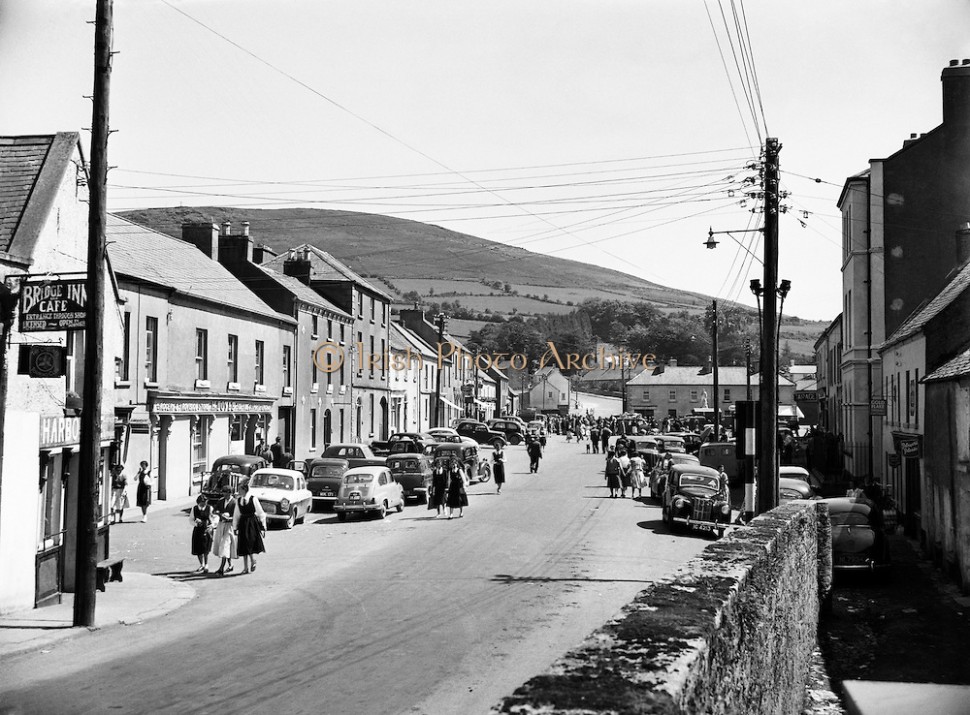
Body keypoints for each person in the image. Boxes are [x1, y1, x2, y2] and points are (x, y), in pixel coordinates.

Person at [233, 483, 266, 574]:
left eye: (240, 489)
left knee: (249, 542)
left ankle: (252, 560)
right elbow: (236, 514)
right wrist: (235, 527)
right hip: (243, 523)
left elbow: (261, 513)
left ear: (244, 490)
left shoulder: (253, 499)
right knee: (243, 544)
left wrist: (263, 527)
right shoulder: (239, 500)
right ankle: (245, 567)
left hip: (251, 523)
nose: (238, 491)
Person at [211, 485, 237, 575]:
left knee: (225, 545)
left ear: (230, 493)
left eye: (226, 492)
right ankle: (230, 564)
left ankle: (221, 568)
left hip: (229, 526)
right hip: (221, 525)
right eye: (223, 492)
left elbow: (236, 516)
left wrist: (229, 518)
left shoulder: (234, 503)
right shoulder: (221, 501)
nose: (224, 494)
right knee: (224, 546)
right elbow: (215, 510)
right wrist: (219, 514)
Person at [190, 495, 214, 572]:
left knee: (206, 548)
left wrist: (212, 525)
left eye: (205, 502)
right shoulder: (194, 509)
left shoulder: (209, 508)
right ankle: (202, 564)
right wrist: (196, 524)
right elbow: (191, 520)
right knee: (198, 548)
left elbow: (213, 518)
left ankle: (206, 564)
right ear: (198, 502)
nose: (204, 504)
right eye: (202, 502)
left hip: (207, 530)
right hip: (198, 530)